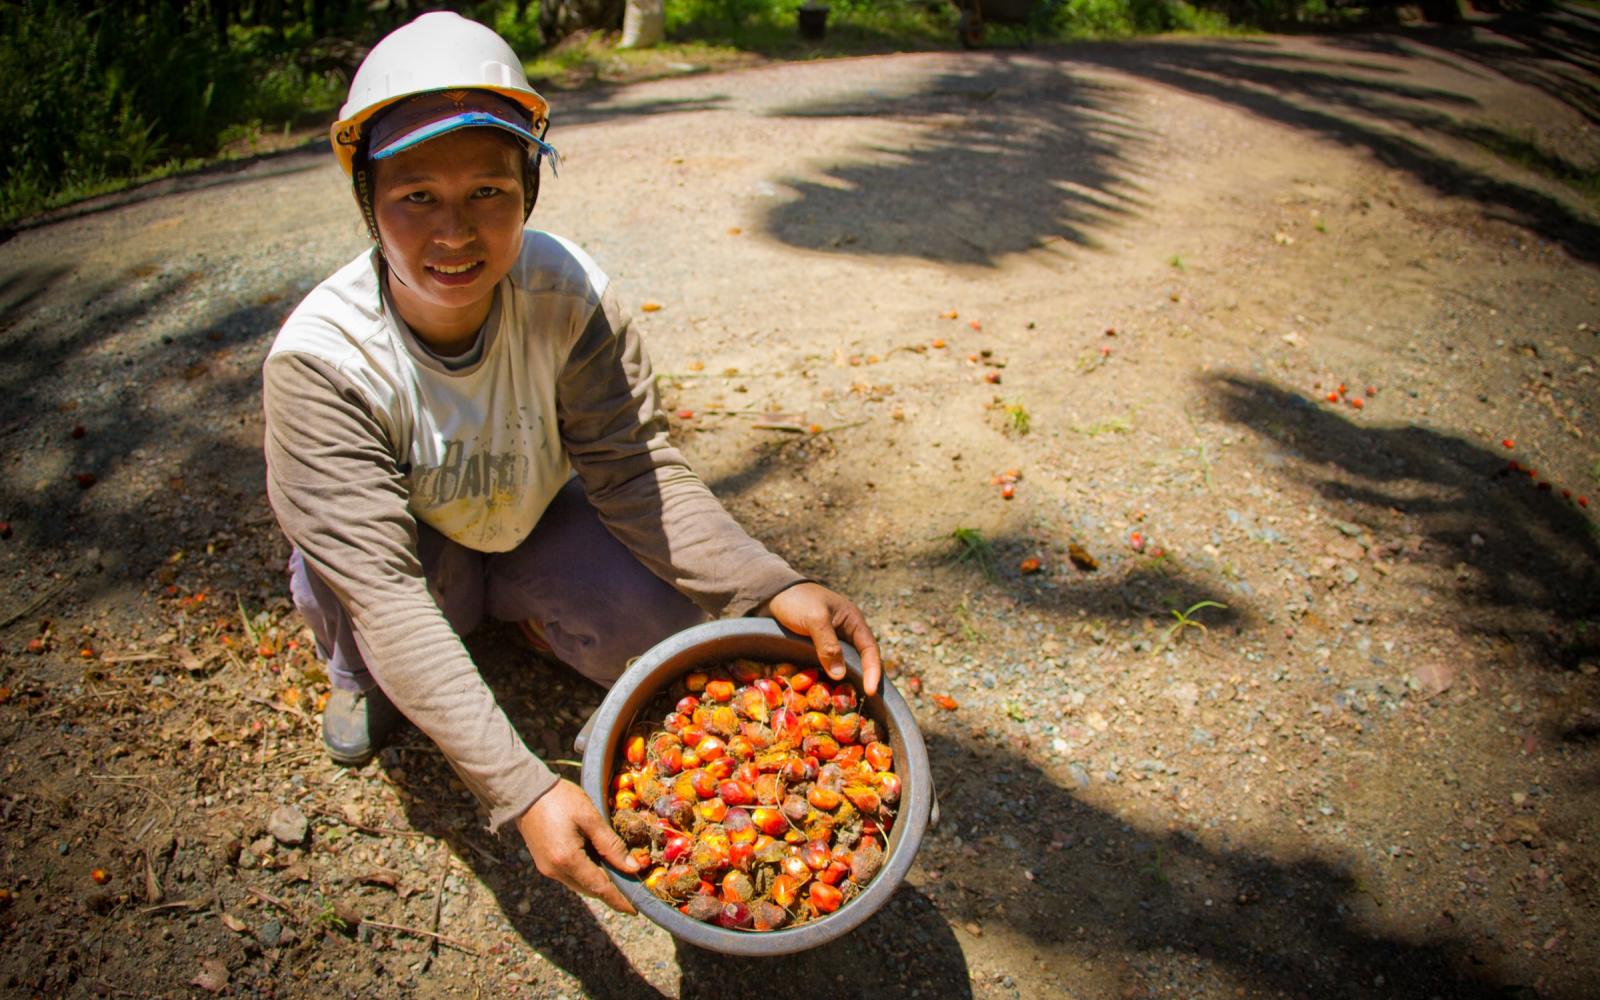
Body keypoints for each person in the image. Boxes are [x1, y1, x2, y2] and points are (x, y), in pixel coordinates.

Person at [261, 11, 881, 916]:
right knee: (361, 600)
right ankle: (360, 677)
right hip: (409, 562)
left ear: (529, 192)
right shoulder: (322, 363)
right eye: (417, 196)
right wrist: (521, 789)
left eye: (489, 192)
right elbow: (385, 588)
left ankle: (517, 611)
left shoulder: (567, 296)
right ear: (367, 200)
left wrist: (765, 583)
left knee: (670, 642)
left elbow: (632, 469)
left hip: (532, 517)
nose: (456, 232)